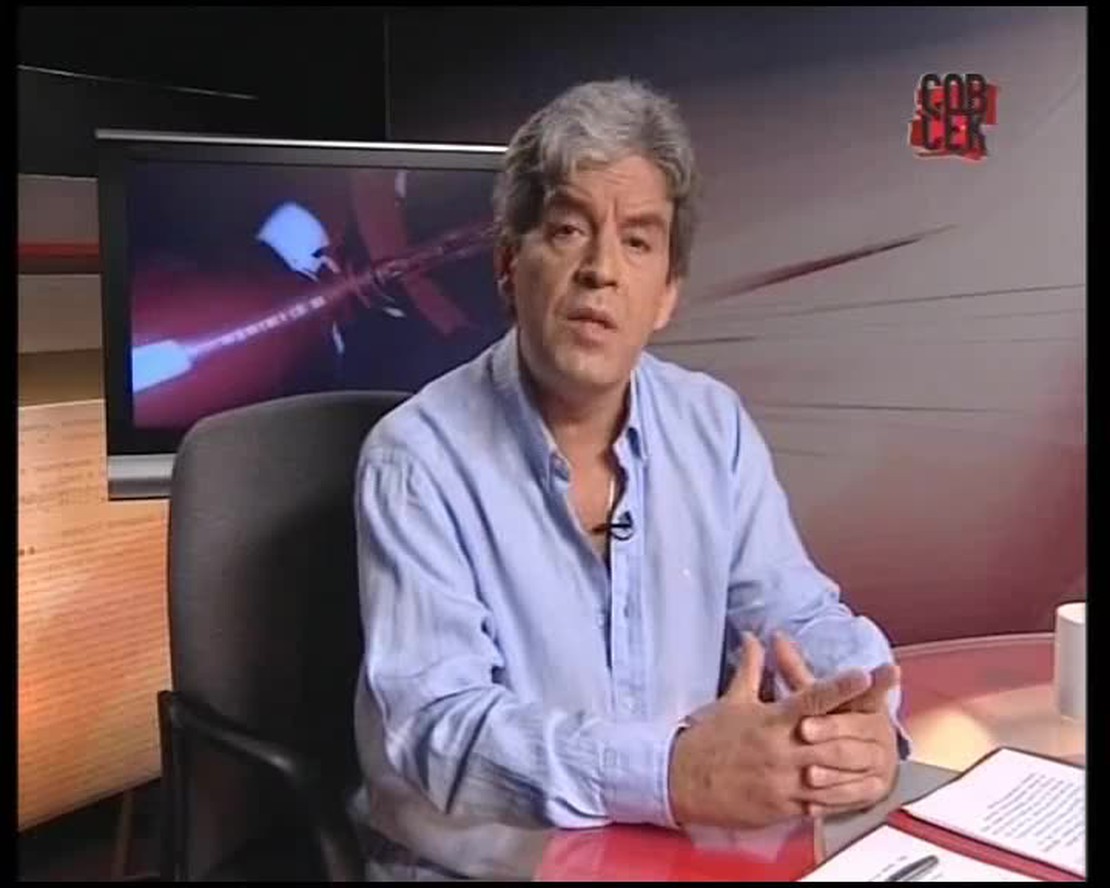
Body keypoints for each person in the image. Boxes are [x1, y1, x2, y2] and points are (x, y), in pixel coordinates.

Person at [350, 78, 908, 880]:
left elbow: (797, 614)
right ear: (509, 263)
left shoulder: (712, 425)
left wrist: (861, 717)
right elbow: (440, 728)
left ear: (668, 295)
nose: (601, 271)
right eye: (568, 230)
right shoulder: (415, 459)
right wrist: (671, 773)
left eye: (638, 241)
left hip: (669, 856)